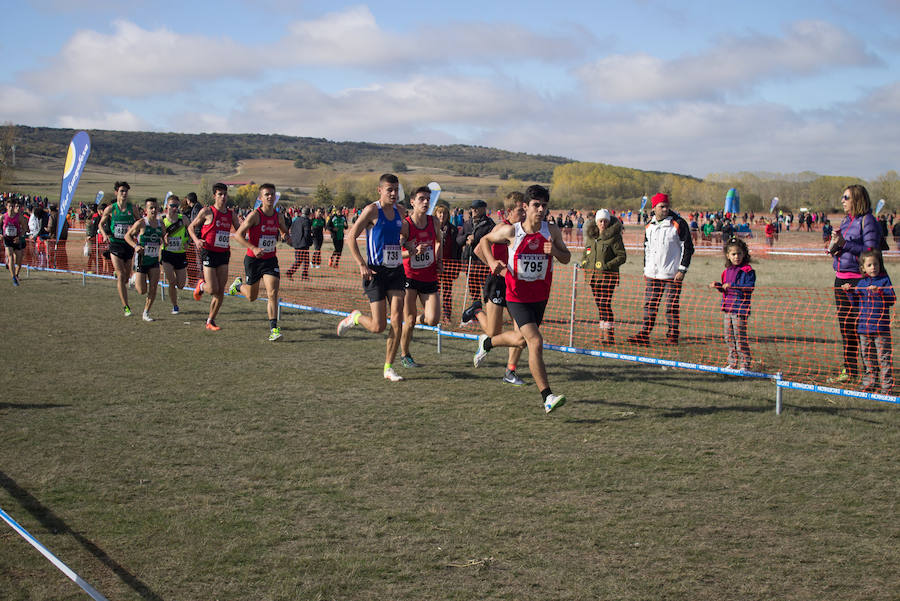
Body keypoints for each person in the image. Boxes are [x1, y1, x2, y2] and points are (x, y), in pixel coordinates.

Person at [472, 184, 571, 413]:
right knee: (535, 341)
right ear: (525, 207)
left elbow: (566, 257)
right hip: (516, 296)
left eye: (544, 206)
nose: (540, 210)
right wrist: (491, 262)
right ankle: (547, 396)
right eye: (536, 205)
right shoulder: (512, 232)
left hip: (540, 296)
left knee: (520, 339)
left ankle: (486, 342)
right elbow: (485, 242)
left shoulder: (551, 231)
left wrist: (554, 251)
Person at [336, 173, 407, 382]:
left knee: (397, 319)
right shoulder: (371, 210)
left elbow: (403, 235)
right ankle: (356, 317)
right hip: (375, 271)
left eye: (396, 190)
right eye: (389, 190)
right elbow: (351, 237)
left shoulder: (400, 211)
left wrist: (409, 244)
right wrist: (361, 264)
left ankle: (388, 367)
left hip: (395, 270)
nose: (394, 194)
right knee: (378, 326)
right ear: (380, 190)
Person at [462, 191, 528, 385]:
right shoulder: (502, 228)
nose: (523, 214)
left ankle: (510, 371)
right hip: (498, 282)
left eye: (525, 210)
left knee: (521, 333)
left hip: (516, 284)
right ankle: (477, 311)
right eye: (519, 211)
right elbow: (478, 249)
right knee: (494, 332)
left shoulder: (524, 229)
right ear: (509, 212)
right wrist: (492, 265)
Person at [828, 184, 882, 383]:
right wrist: (834, 246)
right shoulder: (845, 220)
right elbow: (844, 245)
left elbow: (870, 252)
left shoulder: (868, 221)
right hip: (841, 280)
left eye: (846, 197)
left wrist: (844, 243)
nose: (842, 200)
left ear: (857, 199)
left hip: (859, 281)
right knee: (846, 328)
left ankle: (872, 373)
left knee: (864, 329)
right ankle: (850, 370)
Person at [627, 193, 694, 346]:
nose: (664, 209)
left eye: (666, 206)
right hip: (652, 274)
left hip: (672, 274)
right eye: (661, 206)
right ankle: (644, 333)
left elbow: (688, 248)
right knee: (650, 304)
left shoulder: (678, 224)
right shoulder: (650, 225)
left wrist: (682, 270)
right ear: (654, 208)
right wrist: (646, 268)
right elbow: (647, 248)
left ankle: (672, 335)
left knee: (671, 306)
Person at [227, 183, 291, 341]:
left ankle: (274, 329)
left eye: (272, 194)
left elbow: (284, 231)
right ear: (261, 198)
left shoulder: (278, 216)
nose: (270, 197)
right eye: (267, 194)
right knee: (251, 297)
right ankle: (238, 286)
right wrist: (253, 247)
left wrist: (286, 237)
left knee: (273, 293)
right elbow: (238, 235)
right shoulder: (255, 215)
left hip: (270, 260)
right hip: (253, 260)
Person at [397, 186, 442, 368]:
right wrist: (413, 252)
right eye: (421, 199)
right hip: (409, 277)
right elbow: (397, 253)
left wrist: (438, 259)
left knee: (433, 319)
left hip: (429, 276)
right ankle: (405, 354)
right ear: (412, 202)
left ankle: (412, 320)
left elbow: (439, 241)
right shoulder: (406, 225)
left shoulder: (434, 222)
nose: (426, 202)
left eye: (428, 199)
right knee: (408, 320)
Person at [189, 182, 240, 331]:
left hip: (223, 253)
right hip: (209, 251)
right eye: (220, 194)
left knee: (220, 290)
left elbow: (239, 230)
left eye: (225, 194)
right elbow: (191, 227)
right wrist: (197, 240)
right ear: (214, 196)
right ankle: (201, 285)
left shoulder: (231, 214)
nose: (223, 197)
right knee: (212, 288)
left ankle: (210, 320)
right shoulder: (207, 212)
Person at [843, 250, 894, 393]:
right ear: (863, 268)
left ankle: (886, 386)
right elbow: (856, 304)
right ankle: (869, 383)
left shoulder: (885, 281)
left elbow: (892, 300)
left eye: (876, 264)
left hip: (881, 329)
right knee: (867, 358)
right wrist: (849, 292)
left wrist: (880, 292)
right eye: (869, 265)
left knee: (883, 358)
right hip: (864, 329)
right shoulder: (861, 283)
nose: (873, 267)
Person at [580, 208, 626, 344]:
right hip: (593, 277)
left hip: (607, 278)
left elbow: (622, 256)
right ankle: (601, 334)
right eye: (600, 221)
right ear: (596, 221)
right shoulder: (591, 236)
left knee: (605, 304)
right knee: (599, 305)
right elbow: (586, 252)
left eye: (605, 221)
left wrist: (607, 266)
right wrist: (584, 262)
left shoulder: (614, 237)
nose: (603, 223)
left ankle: (609, 336)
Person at [710, 237, 756, 370]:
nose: (737, 257)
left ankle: (745, 363)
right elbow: (726, 290)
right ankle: (732, 362)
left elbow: (749, 287)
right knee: (729, 337)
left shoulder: (747, 270)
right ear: (728, 255)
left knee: (740, 337)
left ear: (744, 254)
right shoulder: (726, 271)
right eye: (733, 254)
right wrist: (718, 286)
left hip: (740, 310)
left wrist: (733, 285)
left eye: (739, 253)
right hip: (728, 309)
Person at [99, 181, 141, 316]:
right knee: (121, 274)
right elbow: (101, 224)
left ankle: (123, 287)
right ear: (116, 192)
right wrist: (105, 234)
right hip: (115, 243)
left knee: (126, 278)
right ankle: (126, 307)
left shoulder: (132, 208)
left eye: (126, 191)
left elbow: (140, 223)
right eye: (122, 191)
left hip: (128, 244)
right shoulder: (111, 209)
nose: (124, 193)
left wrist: (135, 232)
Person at [124, 198, 164, 322]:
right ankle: (134, 278)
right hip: (141, 260)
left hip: (153, 260)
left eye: (155, 207)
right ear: (146, 210)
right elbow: (127, 236)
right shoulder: (141, 223)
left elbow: (163, 238)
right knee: (142, 291)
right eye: (151, 208)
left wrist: (164, 243)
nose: (153, 210)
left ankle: (146, 312)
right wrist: (135, 246)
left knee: (153, 288)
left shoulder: (160, 224)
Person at [457, 199, 494, 305]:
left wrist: (476, 239)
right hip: (469, 262)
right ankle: (476, 313)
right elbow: (458, 240)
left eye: (476, 208)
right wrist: (466, 238)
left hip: (483, 262)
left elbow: (492, 241)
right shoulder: (467, 223)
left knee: (486, 289)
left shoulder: (490, 224)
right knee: (473, 291)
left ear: (483, 209)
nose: (474, 210)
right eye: (473, 208)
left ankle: (490, 313)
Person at [160, 195, 191, 314]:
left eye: (176, 206)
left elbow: (191, 231)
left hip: (180, 254)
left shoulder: (183, 219)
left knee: (181, 285)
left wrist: (188, 242)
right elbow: (157, 238)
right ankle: (175, 306)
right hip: (167, 254)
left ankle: (175, 304)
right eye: (172, 205)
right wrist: (163, 239)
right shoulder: (162, 220)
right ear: (167, 206)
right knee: (171, 281)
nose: (174, 208)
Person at [433, 203, 461, 323]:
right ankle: (434, 314)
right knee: (435, 292)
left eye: (444, 213)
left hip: (449, 266)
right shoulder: (432, 228)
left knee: (447, 292)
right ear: (436, 214)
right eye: (440, 212)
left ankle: (446, 316)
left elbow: (458, 249)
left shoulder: (453, 229)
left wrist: (457, 267)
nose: (442, 215)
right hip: (434, 265)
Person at [3, 197, 27, 285]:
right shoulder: (3, 217)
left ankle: (16, 274)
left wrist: (20, 237)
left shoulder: (19, 217)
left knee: (19, 260)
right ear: (6, 207)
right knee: (10, 257)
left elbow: (24, 228)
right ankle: (13, 277)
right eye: (9, 206)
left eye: (12, 206)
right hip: (7, 239)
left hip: (16, 239)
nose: (11, 208)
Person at [286, 207, 312, 280]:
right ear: (309, 214)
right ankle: (290, 272)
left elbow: (291, 230)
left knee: (303, 260)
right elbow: (307, 233)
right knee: (302, 260)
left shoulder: (296, 220)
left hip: (296, 242)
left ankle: (304, 275)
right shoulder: (306, 221)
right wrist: (310, 241)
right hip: (303, 243)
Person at [47, 204, 69, 271]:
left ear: (50, 209)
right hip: (64, 236)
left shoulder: (52, 216)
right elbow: (67, 225)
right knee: (62, 251)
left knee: (53, 252)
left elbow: (50, 227)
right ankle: (64, 265)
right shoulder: (62, 215)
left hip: (55, 237)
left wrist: (47, 229)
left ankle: (55, 266)